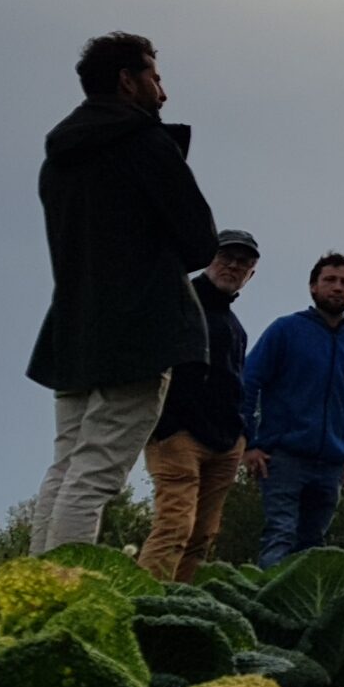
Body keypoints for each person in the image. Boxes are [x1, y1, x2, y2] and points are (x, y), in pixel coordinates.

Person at [28, 31, 219, 554]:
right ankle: (64, 600)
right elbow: (200, 242)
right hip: (137, 334)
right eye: (155, 78)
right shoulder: (144, 145)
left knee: (67, 464)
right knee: (95, 476)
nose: (163, 93)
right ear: (127, 81)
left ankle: (32, 592)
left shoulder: (60, 157)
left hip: (71, 330)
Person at [245, 253, 344, 567]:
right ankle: (267, 609)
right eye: (330, 280)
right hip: (282, 458)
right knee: (279, 535)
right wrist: (249, 442)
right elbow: (249, 382)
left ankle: (300, 613)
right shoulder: (285, 331)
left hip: (331, 466)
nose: (337, 288)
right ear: (313, 287)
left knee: (312, 549)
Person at [138, 229, 259, 581]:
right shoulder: (177, 302)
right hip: (177, 437)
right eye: (226, 257)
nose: (233, 266)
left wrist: (242, 434)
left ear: (251, 273)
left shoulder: (235, 326)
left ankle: (179, 607)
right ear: (209, 258)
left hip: (224, 443)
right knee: (174, 527)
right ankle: (145, 606)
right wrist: (164, 424)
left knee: (202, 536)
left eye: (243, 262)